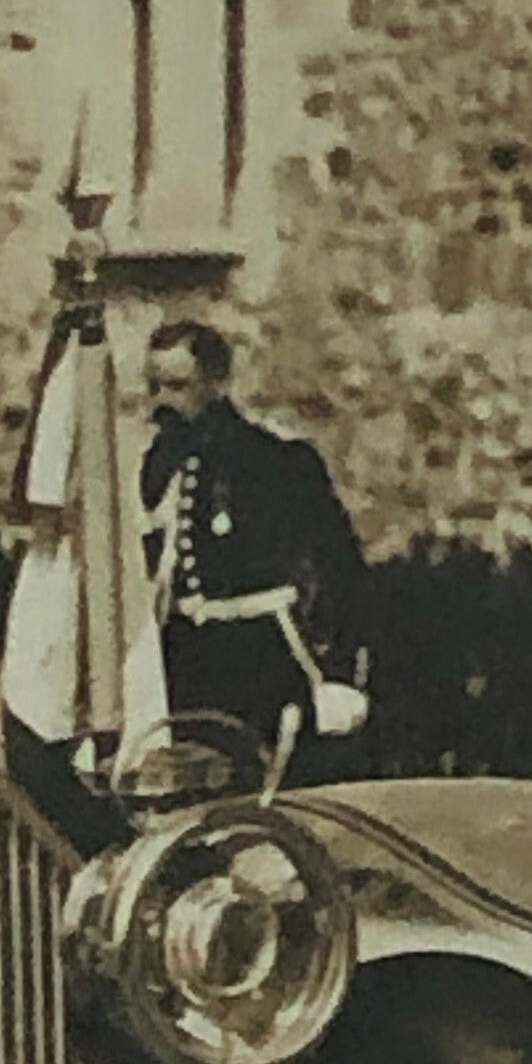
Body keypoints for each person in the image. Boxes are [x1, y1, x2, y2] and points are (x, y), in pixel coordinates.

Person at [140, 319, 370, 773]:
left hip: (262, 657)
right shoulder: (155, 467)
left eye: (178, 386)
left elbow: (339, 571)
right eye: (155, 386)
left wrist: (339, 675)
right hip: (186, 660)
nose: (162, 401)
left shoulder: (278, 462)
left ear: (217, 383)